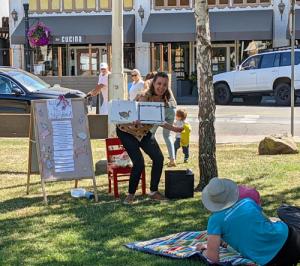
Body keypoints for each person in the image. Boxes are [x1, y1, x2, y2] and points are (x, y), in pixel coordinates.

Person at [197, 177, 300, 266]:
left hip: (273, 259)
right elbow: (266, 221)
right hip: (292, 237)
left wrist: (203, 250)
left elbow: (213, 258)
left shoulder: (215, 220)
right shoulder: (247, 202)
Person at [116, 72, 182, 205]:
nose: (161, 87)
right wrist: (135, 119)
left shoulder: (163, 100)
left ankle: (153, 192)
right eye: (159, 83)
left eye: (164, 84)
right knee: (139, 163)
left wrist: (174, 129)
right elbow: (134, 113)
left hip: (143, 132)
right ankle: (130, 195)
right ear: (153, 83)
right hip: (127, 131)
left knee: (159, 158)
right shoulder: (144, 96)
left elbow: (159, 120)